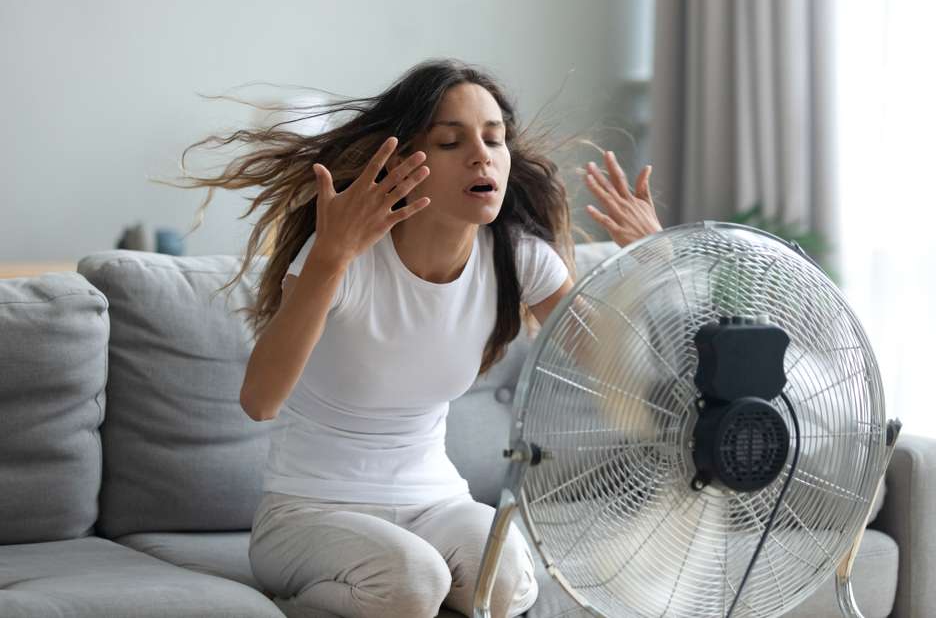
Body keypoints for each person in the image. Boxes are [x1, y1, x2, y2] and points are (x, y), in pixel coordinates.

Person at [177, 58, 662, 618]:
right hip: (310, 512)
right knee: (413, 582)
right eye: (451, 142)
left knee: (503, 581)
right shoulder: (344, 257)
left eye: (495, 138)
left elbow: (623, 378)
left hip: (437, 502)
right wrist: (330, 258)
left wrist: (654, 263)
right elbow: (259, 401)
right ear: (406, 160)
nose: (482, 155)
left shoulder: (519, 259)